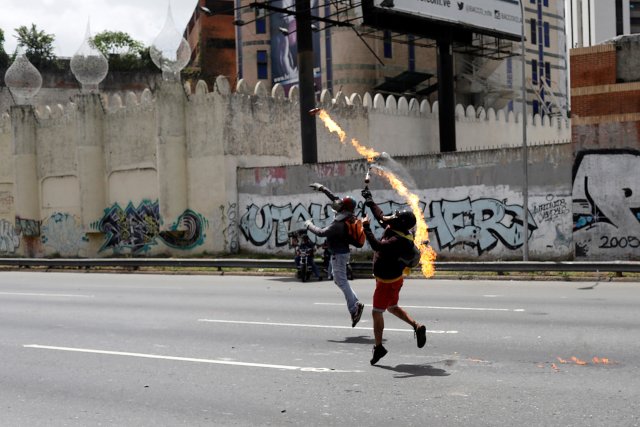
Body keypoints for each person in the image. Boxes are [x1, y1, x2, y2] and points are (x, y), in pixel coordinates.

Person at [361, 188, 427, 365]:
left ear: (400, 223)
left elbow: (376, 246)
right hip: (395, 279)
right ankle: (416, 326)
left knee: (377, 312)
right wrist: (370, 200)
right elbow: (382, 217)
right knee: (392, 306)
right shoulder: (397, 228)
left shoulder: (399, 241)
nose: (392, 217)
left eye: (396, 217)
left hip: (386, 282)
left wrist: (366, 227)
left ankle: (378, 347)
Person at [305, 182, 364, 327]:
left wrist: (309, 225)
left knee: (341, 281)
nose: (337, 204)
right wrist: (322, 188)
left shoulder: (339, 224)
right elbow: (335, 199)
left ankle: (354, 307)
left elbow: (321, 232)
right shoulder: (348, 216)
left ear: (344, 208)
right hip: (339, 253)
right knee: (338, 280)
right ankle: (356, 304)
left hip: (339, 254)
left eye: (341, 204)